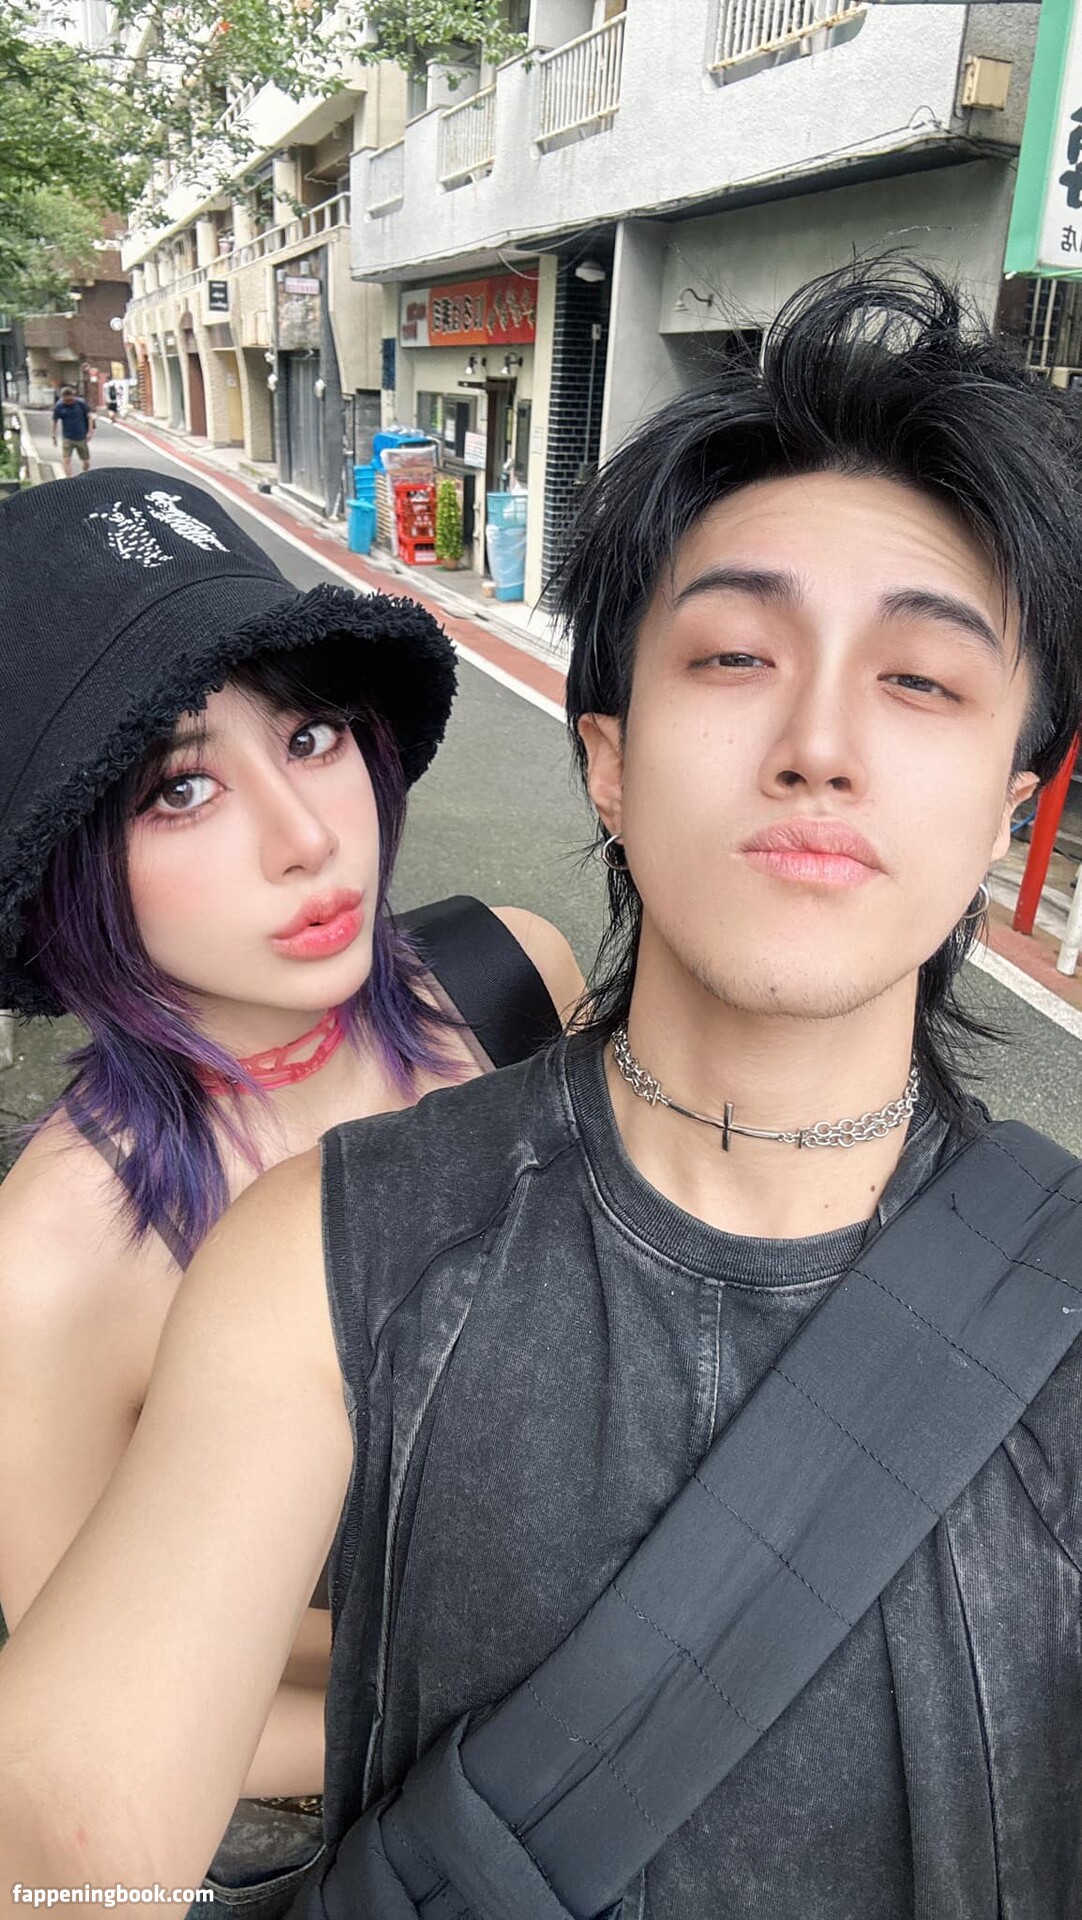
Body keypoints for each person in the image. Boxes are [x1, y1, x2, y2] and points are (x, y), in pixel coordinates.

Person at [2, 260, 1082, 1917]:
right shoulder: (275, 1261)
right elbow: (71, 1807)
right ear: (605, 758)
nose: (820, 742)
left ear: (1011, 807)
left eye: (920, 679)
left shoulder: (497, 975)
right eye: (177, 791)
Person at [0, 469, 581, 1912]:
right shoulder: (52, 1268)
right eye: (181, 787)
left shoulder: (515, 977)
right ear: (67, 863)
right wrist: (518, 1741)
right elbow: (97, 1738)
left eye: (311, 735)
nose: (307, 834)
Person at [50, 384, 94, 477]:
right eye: (66, 400)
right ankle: (69, 479)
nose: (68, 402)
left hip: (81, 437)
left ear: (73, 396)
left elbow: (89, 417)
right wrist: (53, 435)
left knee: (86, 461)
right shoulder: (59, 406)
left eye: (70, 400)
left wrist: (90, 432)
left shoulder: (81, 403)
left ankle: (84, 475)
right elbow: (54, 421)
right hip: (67, 437)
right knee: (66, 459)